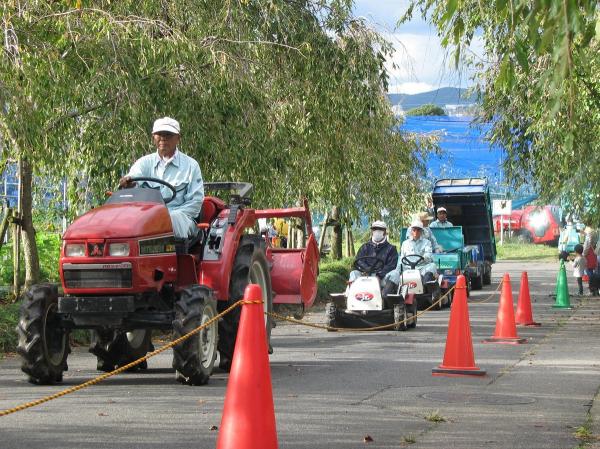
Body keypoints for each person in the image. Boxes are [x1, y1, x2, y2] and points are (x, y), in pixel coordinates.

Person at [119, 117, 204, 239]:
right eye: (159, 134)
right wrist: (129, 182)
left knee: (172, 220)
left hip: (180, 218)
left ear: (178, 138)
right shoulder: (144, 163)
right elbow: (134, 176)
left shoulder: (191, 166)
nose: (163, 138)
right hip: (147, 217)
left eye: (168, 135)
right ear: (153, 137)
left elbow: (195, 203)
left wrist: (165, 216)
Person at [386, 219, 439, 294]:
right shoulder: (405, 243)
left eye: (418, 230)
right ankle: (392, 295)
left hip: (421, 268)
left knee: (432, 266)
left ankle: (428, 292)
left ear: (421, 231)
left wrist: (423, 258)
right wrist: (398, 270)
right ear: (411, 231)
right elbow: (401, 258)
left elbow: (428, 254)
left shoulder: (427, 243)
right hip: (407, 269)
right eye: (414, 230)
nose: (416, 232)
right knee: (393, 274)